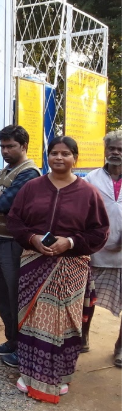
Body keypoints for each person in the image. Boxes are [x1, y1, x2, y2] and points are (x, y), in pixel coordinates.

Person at [7, 136, 109, 403]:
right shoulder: (31, 188)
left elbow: (99, 232)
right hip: (34, 262)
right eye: (54, 153)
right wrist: (33, 239)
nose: (59, 158)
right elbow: (15, 221)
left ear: (75, 157)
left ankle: (60, 375)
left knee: (65, 324)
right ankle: (29, 373)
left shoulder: (88, 193)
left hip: (71, 267)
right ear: (47, 156)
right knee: (32, 320)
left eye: (65, 153)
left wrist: (71, 242)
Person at [0, 125, 41, 367]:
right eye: (2, 146)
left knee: (16, 297)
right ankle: (12, 341)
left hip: (13, 244)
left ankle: (22, 349)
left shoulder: (29, 173)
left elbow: (1, 204)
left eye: (10, 146)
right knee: (2, 295)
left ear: (23, 146)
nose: (5, 150)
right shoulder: (7, 170)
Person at [83, 130, 122, 366]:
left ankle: (120, 346)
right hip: (96, 250)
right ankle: (83, 335)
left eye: (120, 148)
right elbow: (83, 212)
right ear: (105, 150)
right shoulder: (91, 178)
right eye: (112, 148)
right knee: (89, 298)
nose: (115, 153)